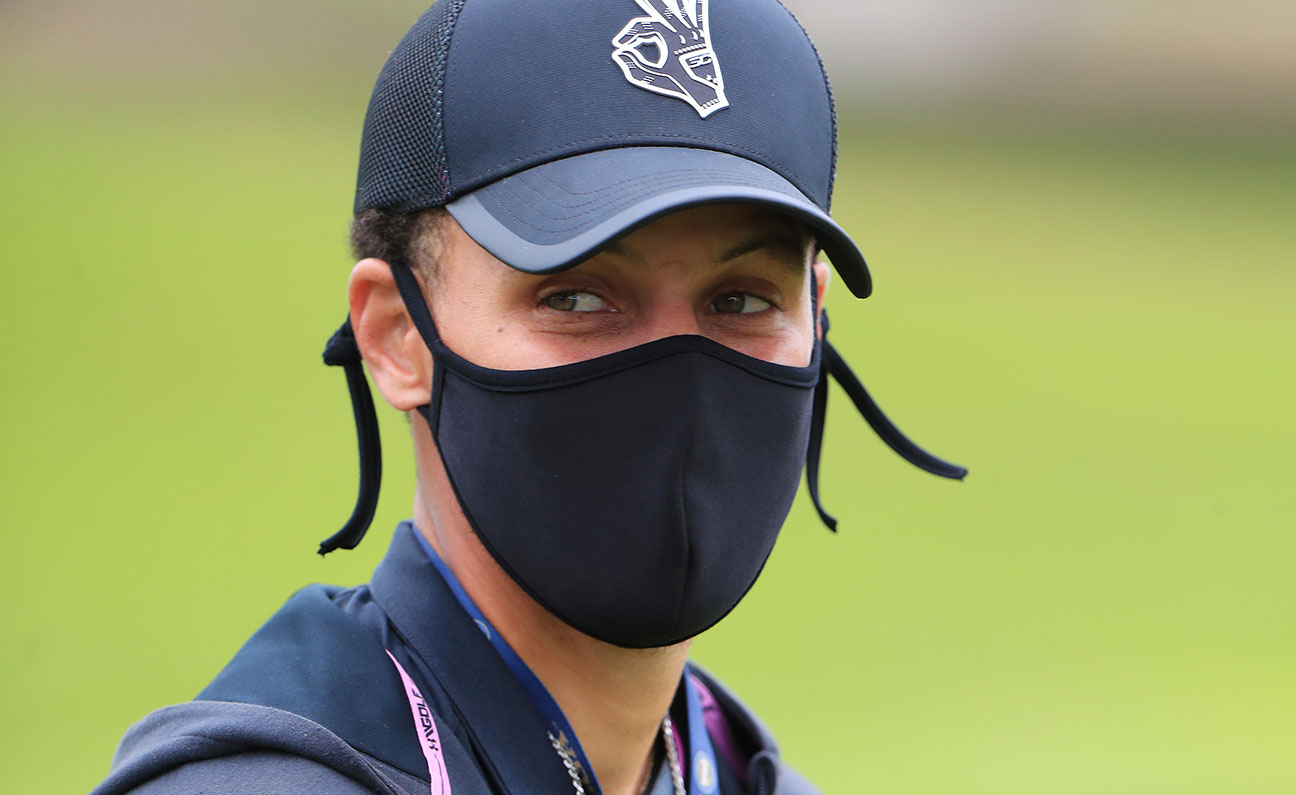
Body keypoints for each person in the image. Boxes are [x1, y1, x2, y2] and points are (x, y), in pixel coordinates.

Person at [94, 1, 966, 793]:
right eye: (577, 297)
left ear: (816, 321)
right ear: (397, 335)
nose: (678, 369)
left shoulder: (746, 776)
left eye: (739, 300)